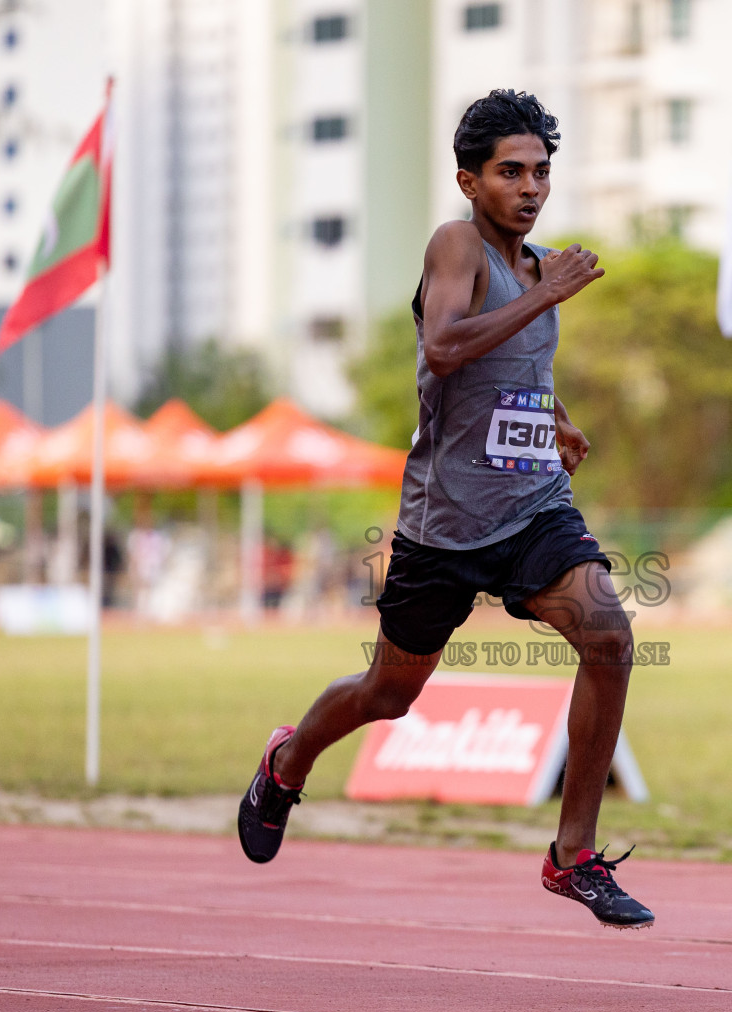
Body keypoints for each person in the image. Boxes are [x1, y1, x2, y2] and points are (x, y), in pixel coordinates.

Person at [238, 90, 652, 929]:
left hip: (533, 505)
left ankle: (572, 855)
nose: (530, 188)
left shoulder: (538, 269)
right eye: (511, 172)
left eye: (541, 172)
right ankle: (286, 761)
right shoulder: (457, 246)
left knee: (609, 633)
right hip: (446, 525)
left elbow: (518, 369)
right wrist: (550, 297)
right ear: (469, 180)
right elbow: (447, 346)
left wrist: (558, 420)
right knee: (389, 694)